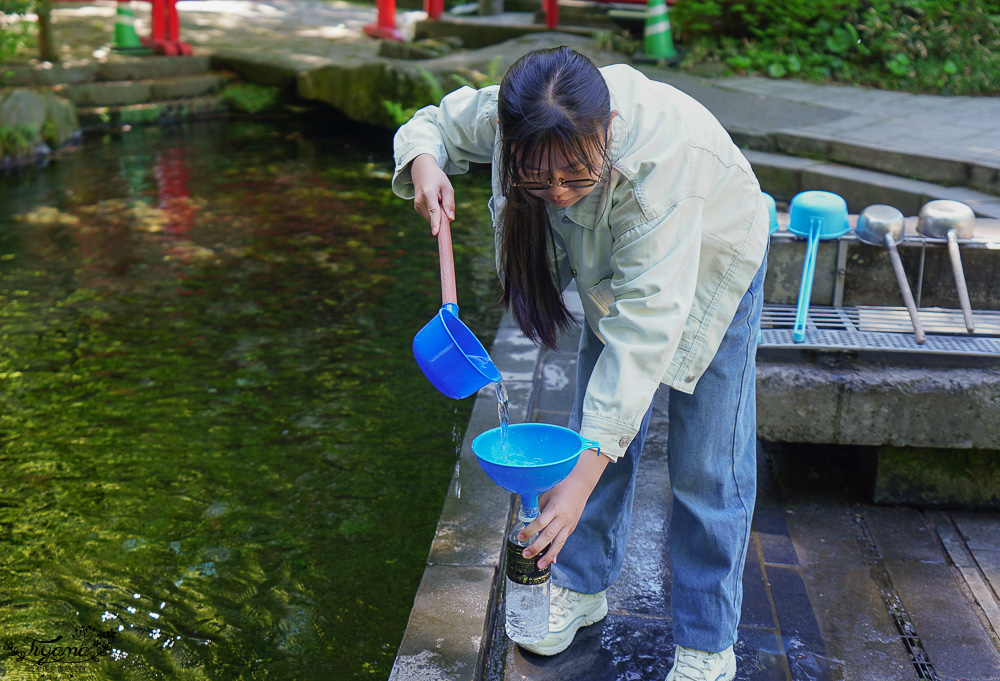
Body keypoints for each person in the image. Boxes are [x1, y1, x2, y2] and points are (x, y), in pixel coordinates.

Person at [391, 45, 768, 681]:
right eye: (538, 181)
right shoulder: (526, 112)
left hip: (714, 261)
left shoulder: (656, 173)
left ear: (606, 134)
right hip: (616, 275)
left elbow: (644, 337)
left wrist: (582, 475)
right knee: (594, 437)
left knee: (708, 465)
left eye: (575, 177)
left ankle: (707, 643)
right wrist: (426, 164)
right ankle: (584, 585)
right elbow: (431, 123)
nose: (558, 196)